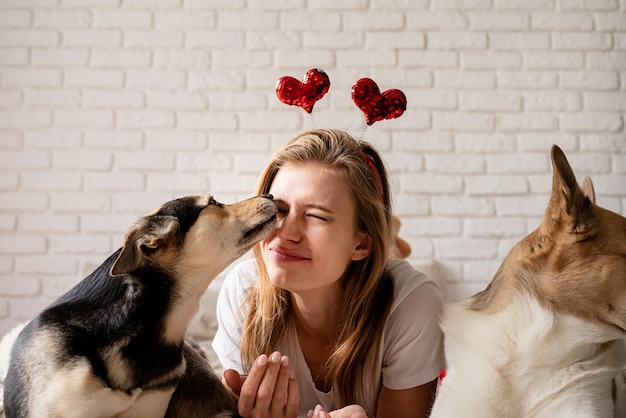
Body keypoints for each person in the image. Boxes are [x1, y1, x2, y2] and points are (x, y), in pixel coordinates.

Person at [212, 128, 444, 418]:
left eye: (316, 216)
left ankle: (390, 241)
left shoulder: (413, 303)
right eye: (278, 209)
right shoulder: (244, 290)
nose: (286, 233)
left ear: (361, 242)